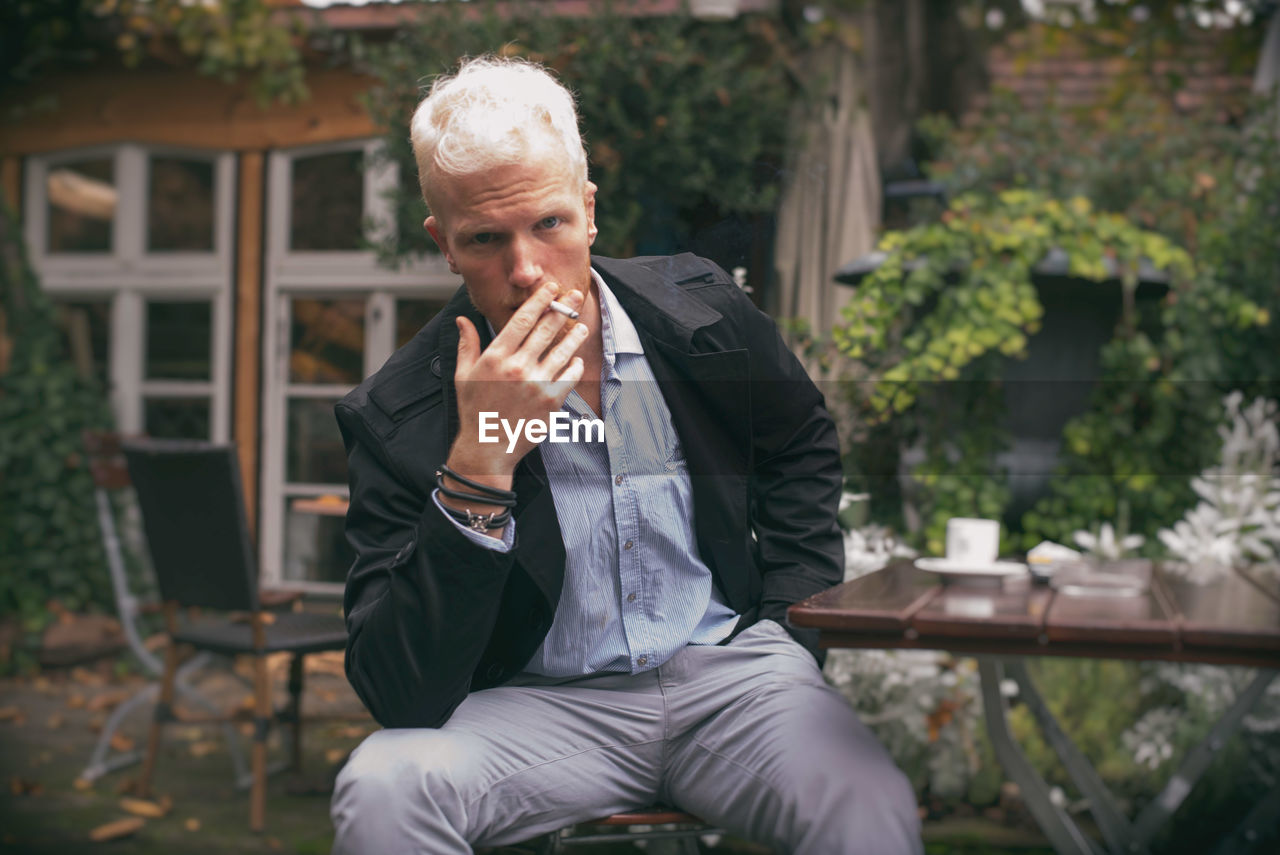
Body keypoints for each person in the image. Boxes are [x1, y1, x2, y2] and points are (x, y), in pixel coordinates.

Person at [329, 56, 922, 855]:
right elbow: (398, 687)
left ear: (589, 208)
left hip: (732, 677)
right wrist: (481, 463)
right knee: (383, 786)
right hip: (539, 708)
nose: (525, 270)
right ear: (444, 243)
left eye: (549, 224)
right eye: (485, 239)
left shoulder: (703, 313)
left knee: (868, 797)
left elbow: (799, 443)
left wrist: (788, 627)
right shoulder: (396, 414)